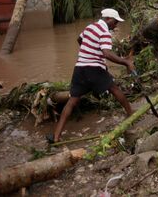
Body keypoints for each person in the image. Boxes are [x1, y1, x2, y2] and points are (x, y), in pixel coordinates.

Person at [50, 8, 135, 143]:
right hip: (93, 69)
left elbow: (79, 39)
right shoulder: (105, 32)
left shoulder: (90, 27)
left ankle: (56, 136)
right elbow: (107, 53)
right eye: (115, 22)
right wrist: (126, 62)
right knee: (115, 89)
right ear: (108, 19)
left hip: (79, 68)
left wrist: (88, 52)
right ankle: (131, 114)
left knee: (72, 101)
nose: (116, 25)